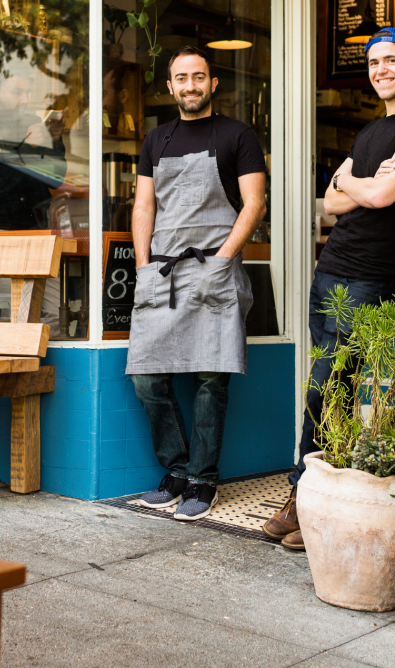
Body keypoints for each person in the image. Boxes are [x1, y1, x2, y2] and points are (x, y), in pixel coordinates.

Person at [263, 27, 395, 550]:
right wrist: (361, 185)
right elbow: (331, 202)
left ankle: (303, 497)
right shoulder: (369, 132)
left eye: (391, 61)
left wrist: (355, 184)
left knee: (328, 385)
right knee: (331, 385)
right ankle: (319, 503)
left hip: (369, 277)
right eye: (374, 62)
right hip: (331, 269)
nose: (381, 70)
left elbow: (379, 195)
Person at [127, 45, 267, 521]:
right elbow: (144, 206)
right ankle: (177, 470)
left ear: (213, 83)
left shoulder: (237, 135)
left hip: (215, 269)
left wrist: (222, 260)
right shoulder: (156, 140)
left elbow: (254, 204)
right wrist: (144, 267)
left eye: (199, 77)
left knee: (211, 380)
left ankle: (202, 481)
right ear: (171, 87)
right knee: (147, 377)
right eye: (182, 78)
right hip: (163, 272)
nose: (191, 85)